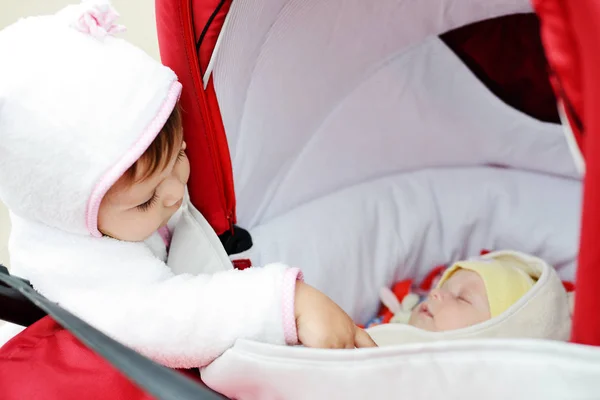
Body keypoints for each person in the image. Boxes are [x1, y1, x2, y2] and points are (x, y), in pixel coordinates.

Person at [0, 0, 375, 368]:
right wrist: (285, 304)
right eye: (146, 201)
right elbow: (166, 317)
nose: (176, 193)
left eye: (180, 155)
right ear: (70, 211)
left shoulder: (121, 209)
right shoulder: (78, 265)